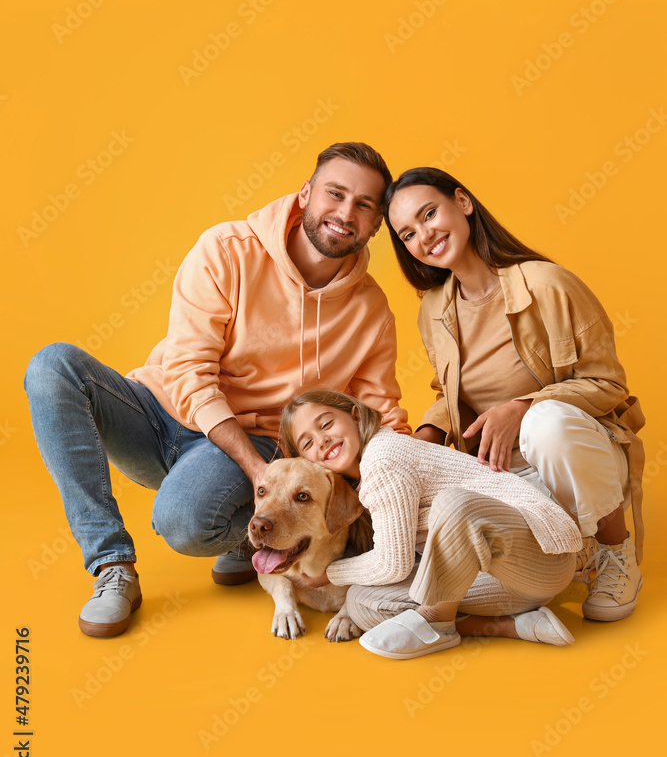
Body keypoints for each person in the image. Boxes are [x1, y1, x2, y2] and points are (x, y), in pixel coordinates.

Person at [23, 142, 410, 638]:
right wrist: (258, 476)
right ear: (306, 193)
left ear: (376, 224)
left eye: (364, 205)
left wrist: (422, 476)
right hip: (163, 410)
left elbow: (378, 413)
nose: (344, 213)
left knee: (185, 522)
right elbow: (188, 366)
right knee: (52, 365)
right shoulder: (226, 250)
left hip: (258, 440)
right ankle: (111, 565)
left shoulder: (371, 312)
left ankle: (246, 536)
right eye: (335, 194)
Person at [381, 166, 645, 622]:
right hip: (503, 476)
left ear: (462, 202)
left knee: (547, 424)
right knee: (390, 456)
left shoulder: (547, 284)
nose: (424, 235)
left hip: (577, 457)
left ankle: (613, 549)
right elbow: (449, 393)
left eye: (429, 214)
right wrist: (421, 440)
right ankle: (554, 565)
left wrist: (522, 408)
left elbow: (608, 384)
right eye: (407, 233)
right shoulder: (434, 308)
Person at [279, 389, 583, 660]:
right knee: (362, 603)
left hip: (540, 560)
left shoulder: (383, 458)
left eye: (326, 424)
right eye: (307, 443)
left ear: (355, 416)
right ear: (306, 461)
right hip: (499, 584)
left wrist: (330, 574)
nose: (322, 440)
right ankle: (515, 625)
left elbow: (392, 565)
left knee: (452, 505)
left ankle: (437, 624)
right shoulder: (359, 483)